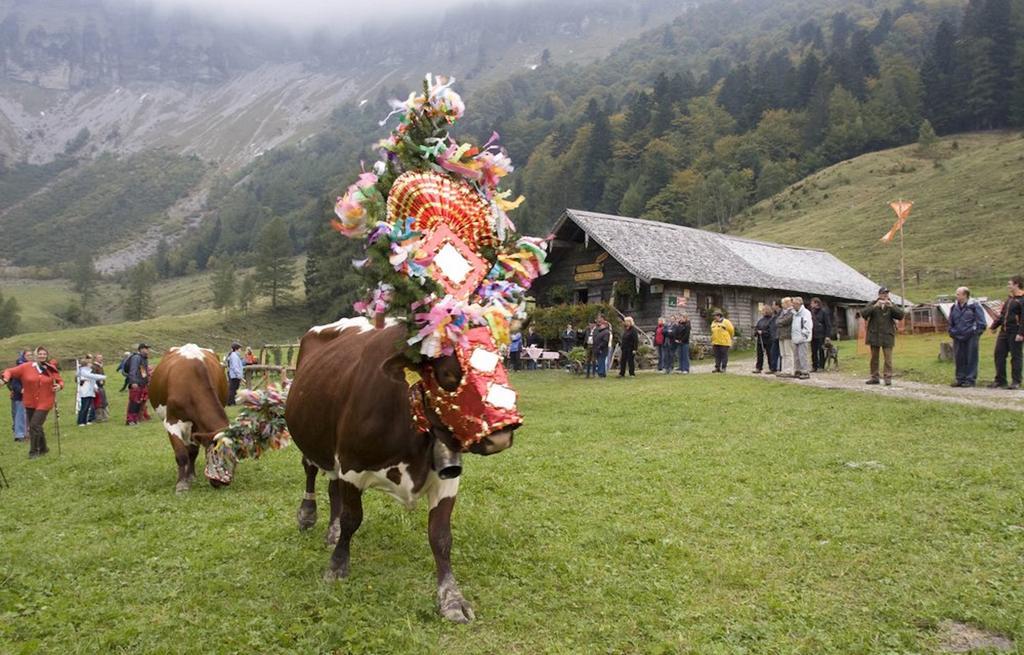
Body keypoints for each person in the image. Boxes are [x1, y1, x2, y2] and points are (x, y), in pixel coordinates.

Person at [1, 346, 64, 459]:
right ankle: (44, 448)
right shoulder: (26, 367)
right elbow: (9, 371)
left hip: (46, 401)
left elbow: (60, 380)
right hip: (30, 401)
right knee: (37, 426)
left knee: (34, 425)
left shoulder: (50, 368)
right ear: (35, 355)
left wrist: (59, 386)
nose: (42, 356)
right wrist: (5, 379)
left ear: (47, 355)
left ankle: (34, 452)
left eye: (44, 354)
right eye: (40, 353)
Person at [861, 287, 906, 386]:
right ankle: (874, 377)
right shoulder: (872, 304)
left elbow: (901, 315)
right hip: (874, 335)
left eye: (887, 293)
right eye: (883, 293)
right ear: (879, 294)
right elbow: (863, 314)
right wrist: (874, 307)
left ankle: (888, 378)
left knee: (888, 359)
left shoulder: (891, 304)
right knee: (874, 358)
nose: (885, 295)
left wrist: (892, 307)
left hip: (887, 336)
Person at [989, 275, 1024, 390]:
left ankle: (1016, 381)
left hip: (1016, 331)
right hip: (1004, 331)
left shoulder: (1022, 299)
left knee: (1016, 356)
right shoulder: (1009, 299)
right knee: (998, 354)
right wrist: (994, 326)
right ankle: (1000, 380)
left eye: (1010, 284)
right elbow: (1003, 315)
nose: (1008, 286)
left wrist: (1021, 333)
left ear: (1016, 284)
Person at [948, 286, 987, 388]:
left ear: (965, 295)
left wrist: (976, 333)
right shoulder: (954, 307)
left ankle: (970, 379)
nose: (956, 296)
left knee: (971, 357)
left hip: (971, 336)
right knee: (959, 358)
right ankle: (960, 379)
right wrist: (951, 332)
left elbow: (981, 322)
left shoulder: (974, 306)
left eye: (958, 294)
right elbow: (951, 321)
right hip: (957, 336)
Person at [76, 354, 106, 426]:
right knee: (84, 406)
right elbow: (86, 378)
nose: (90, 364)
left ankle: (87, 420)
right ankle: (81, 421)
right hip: (85, 391)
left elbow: (93, 380)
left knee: (89, 406)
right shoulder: (82, 371)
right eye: (89, 364)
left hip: (91, 391)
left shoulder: (89, 371)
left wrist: (95, 387)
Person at [125, 343, 151, 425]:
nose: (147, 350)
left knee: (138, 402)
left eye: (147, 348)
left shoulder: (143, 359)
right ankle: (130, 420)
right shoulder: (136, 358)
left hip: (141, 383)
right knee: (134, 402)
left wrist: (146, 381)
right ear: (141, 349)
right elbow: (133, 370)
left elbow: (143, 371)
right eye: (145, 348)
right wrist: (133, 382)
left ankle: (135, 419)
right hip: (136, 384)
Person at [791, 297, 813, 380]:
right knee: (796, 355)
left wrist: (804, 335)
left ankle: (805, 371)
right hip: (795, 337)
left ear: (799, 304)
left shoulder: (806, 313)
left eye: (794, 304)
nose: (793, 305)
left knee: (802, 355)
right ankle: (798, 370)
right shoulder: (794, 313)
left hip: (803, 338)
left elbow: (808, 325)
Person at [809, 298, 833, 372]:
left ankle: (821, 366)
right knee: (813, 351)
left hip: (821, 334)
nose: (811, 304)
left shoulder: (823, 312)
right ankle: (814, 366)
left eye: (812, 303)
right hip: (813, 334)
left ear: (817, 303)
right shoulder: (811, 312)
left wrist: (827, 336)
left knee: (821, 351)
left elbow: (828, 324)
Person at [9, 350, 28, 443]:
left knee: (26, 415)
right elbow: (13, 383)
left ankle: (25, 432)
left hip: (29, 396)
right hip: (19, 396)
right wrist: (20, 390)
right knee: (19, 415)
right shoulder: (17, 371)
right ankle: (19, 434)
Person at [775, 298, 795, 377]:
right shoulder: (783, 312)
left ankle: (789, 370)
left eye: (783, 303)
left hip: (788, 335)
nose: (782, 305)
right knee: (783, 354)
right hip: (781, 335)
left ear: (787, 303)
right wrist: (781, 322)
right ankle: (783, 369)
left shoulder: (791, 312)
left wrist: (781, 322)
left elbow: (786, 321)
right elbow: (777, 321)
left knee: (788, 353)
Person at [753, 306, 774, 373]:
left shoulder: (771, 320)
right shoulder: (761, 320)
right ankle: (758, 367)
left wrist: (763, 332)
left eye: (763, 310)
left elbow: (771, 330)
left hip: (768, 340)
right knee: (759, 354)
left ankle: (772, 368)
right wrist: (756, 331)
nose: (762, 312)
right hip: (760, 340)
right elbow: (757, 327)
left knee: (770, 354)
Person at [92, 354, 109, 423]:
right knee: (99, 402)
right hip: (97, 386)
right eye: (99, 358)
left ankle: (105, 416)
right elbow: (94, 376)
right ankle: (99, 417)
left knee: (104, 401)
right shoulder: (94, 367)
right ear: (95, 359)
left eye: (101, 357)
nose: (100, 359)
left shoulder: (100, 366)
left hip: (101, 386)